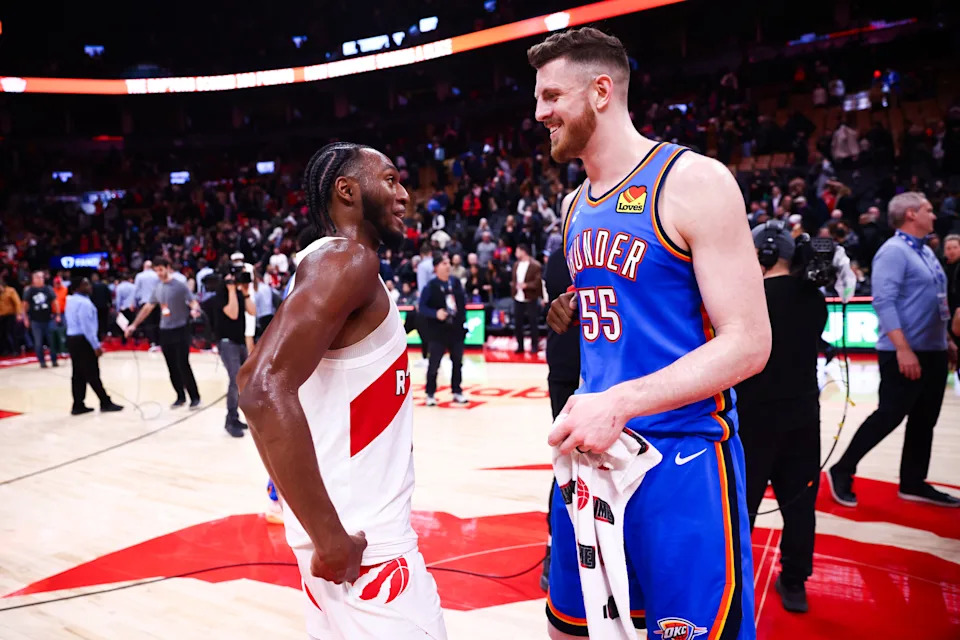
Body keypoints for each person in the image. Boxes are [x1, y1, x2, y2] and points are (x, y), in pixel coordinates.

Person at [531, 28, 770, 639]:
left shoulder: (694, 181)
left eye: (552, 96)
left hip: (680, 458)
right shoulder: (574, 204)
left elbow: (749, 341)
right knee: (569, 629)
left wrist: (622, 401)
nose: (540, 114)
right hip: (591, 457)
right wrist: (574, 305)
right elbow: (636, 298)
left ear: (601, 91)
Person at [237, 142, 446, 640]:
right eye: (390, 180)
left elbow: (262, 390)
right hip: (367, 550)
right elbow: (259, 389)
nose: (404, 195)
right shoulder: (348, 260)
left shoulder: (332, 264)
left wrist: (319, 531)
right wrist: (330, 537)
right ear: (347, 191)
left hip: (344, 542)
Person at [829, 193, 959, 508]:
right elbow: (884, 302)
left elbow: (937, 302)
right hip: (904, 351)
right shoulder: (893, 251)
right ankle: (842, 469)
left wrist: (947, 340)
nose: (934, 215)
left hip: (933, 349)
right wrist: (902, 348)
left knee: (924, 420)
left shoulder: (925, 250)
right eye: (928, 210)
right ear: (911, 214)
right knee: (888, 415)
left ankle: (913, 482)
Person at [735, 222, 827, 613]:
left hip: (753, 420)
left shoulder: (748, 301)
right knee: (800, 504)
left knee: (743, 506)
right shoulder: (815, 299)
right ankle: (794, 581)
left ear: (761, 255)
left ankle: (734, 579)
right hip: (803, 419)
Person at [540, 241, 583, 592]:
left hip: (565, 364)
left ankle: (556, 547)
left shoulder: (556, 257)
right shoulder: (570, 255)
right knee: (570, 462)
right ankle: (557, 546)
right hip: (576, 366)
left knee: (568, 461)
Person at [125, 257, 203, 409]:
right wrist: (134, 325)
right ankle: (180, 396)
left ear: (168, 267)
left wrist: (195, 310)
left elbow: (193, 301)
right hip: (165, 330)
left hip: (181, 329)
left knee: (183, 364)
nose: (159, 273)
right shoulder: (158, 288)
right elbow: (148, 307)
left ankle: (195, 397)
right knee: (171, 366)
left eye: (161, 269)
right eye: (156, 271)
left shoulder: (180, 285)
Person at [64, 278, 123, 415]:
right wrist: (96, 345)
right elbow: (87, 327)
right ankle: (105, 402)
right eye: (85, 284)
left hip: (72, 338)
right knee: (92, 372)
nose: (89, 286)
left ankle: (78, 404)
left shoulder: (70, 300)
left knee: (78, 373)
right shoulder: (84, 303)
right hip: (83, 340)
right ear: (76, 288)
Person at [419, 253, 469, 407]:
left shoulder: (456, 283)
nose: (448, 266)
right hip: (438, 331)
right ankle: (430, 393)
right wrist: (435, 313)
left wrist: (462, 319)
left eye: (449, 263)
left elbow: (462, 302)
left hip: (456, 330)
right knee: (434, 364)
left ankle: (457, 391)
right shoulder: (430, 286)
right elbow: (422, 307)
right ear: (436, 267)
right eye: (444, 263)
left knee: (457, 362)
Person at [210, 269, 256, 437]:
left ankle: (235, 417)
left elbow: (253, 311)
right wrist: (231, 291)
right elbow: (233, 314)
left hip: (240, 341)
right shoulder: (221, 295)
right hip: (227, 342)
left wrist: (245, 293)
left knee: (242, 380)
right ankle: (230, 420)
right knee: (235, 379)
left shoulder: (239, 293)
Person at [22, 271, 61, 368]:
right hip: (35, 320)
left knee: (52, 341)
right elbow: (25, 305)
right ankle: (42, 362)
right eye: (38, 277)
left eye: (42, 277)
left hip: (48, 319)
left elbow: (55, 302)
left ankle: (54, 360)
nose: (41, 279)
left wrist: (58, 315)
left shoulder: (48, 289)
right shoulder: (29, 290)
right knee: (38, 343)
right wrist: (25, 318)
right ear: (34, 279)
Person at [511, 244, 543, 354]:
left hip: (530, 297)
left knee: (533, 323)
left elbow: (538, 282)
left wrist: (526, 285)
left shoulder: (535, 265)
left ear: (523, 251)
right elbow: (514, 280)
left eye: (517, 251)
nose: (516, 253)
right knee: (518, 323)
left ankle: (534, 346)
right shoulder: (516, 264)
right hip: (518, 297)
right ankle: (520, 346)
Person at [132, 260, 160, 345]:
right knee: (157, 322)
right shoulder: (157, 275)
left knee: (148, 323)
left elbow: (136, 290)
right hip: (156, 302)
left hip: (145, 302)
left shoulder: (140, 276)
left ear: (144, 266)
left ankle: (152, 342)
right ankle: (158, 342)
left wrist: (133, 302)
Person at [0, 276, 23, 356]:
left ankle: (16, 350)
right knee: (2, 334)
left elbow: (17, 303)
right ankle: (5, 350)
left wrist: (19, 314)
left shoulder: (10, 290)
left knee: (11, 333)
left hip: (10, 315)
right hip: (1, 316)